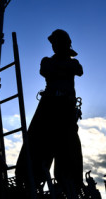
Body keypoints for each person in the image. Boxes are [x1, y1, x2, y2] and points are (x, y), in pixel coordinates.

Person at [15, 29, 84, 195]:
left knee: (68, 145)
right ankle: (29, 180)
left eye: (57, 43)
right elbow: (45, 70)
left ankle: (68, 184)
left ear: (65, 45)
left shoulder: (73, 63)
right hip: (49, 105)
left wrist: (61, 67)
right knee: (37, 140)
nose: (54, 46)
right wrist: (63, 68)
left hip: (66, 108)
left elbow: (79, 70)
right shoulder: (47, 61)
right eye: (53, 44)